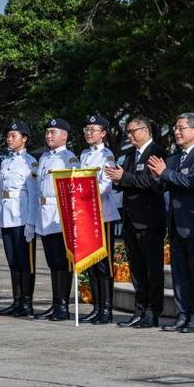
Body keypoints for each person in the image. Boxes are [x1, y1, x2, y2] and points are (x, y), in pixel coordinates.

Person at [147, 112, 194, 333]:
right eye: (175, 127)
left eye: (181, 127)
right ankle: (182, 314)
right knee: (179, 274)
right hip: (176, 223)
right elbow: (162, 186)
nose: (176, 131)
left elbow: (193, 182)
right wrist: (156, 176)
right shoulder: (174, 157)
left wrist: (164, 173)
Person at [105, 116, 167, 329]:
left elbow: (154, 183)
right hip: (131, 219)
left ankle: (152, 312)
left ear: (145, 130)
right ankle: (139, 310)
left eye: (133, 131)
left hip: (150, 221)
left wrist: (125, 178)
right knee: (136, 270)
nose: (129, 136)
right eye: (127, 132)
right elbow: (129, 181)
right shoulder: (129, 155)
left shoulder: (157, 153)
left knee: (152, 269)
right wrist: (117, 180)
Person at [34, 118, 79, 322]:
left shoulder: (69, 159)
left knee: (62, 262)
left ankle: (63, 305)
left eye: (53, 132)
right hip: (44, 213)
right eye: (47, 132)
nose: (48, 135)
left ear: (64, 136)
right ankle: (55, 303)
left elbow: (74, 189)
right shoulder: (43, 157)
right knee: (52, 262)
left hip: (60, 213)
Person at [0, 122, 39, 317]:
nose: (9, 139)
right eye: (8, 135)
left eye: (13, 135)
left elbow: (35, 194)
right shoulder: (5, 162)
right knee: (13, 262)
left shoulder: (31, 163)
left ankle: (27, 303)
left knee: (25, 262)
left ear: (24, 138)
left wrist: (31, 221)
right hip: (6, 217)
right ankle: (16, 301)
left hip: (22, 217)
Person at [78, 115, 120, 325]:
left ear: (103, 133)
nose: (88, 133)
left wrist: (88, 194)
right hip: (87, 215)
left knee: (104, 265)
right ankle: (96, 308)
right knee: (92, 264)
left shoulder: (107, 155)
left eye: (93, 129)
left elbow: (107, 184)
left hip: (103, 214)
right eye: (87, 129)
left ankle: (107, 309)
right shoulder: (84, 154)